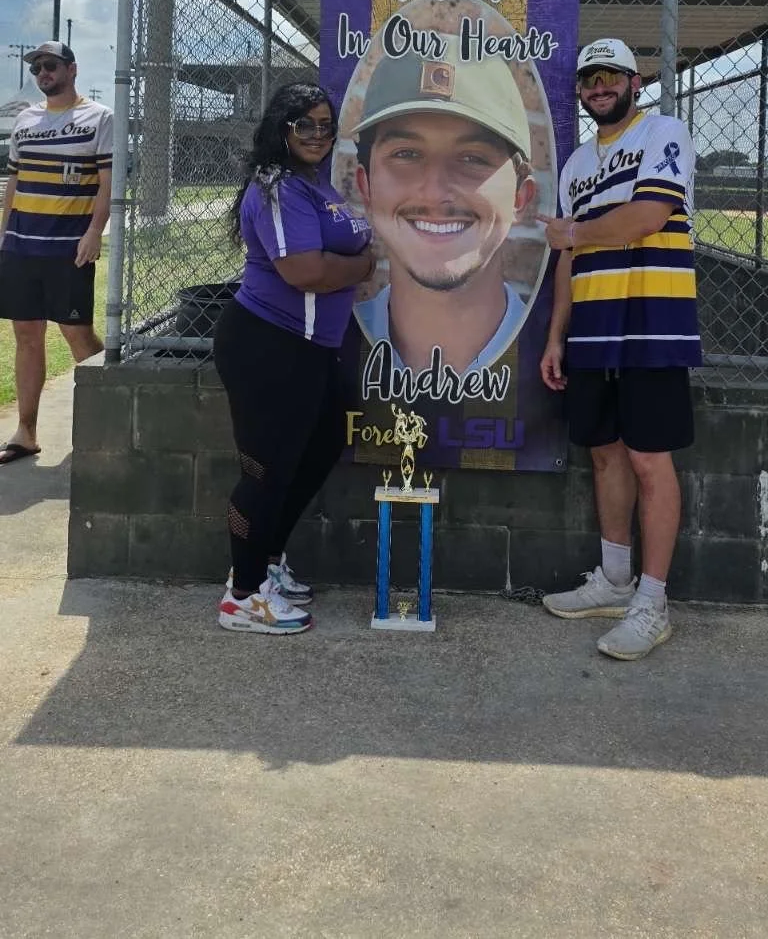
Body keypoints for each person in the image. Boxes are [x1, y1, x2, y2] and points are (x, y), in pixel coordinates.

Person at [538, 37, 702, 661]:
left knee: (648, 460)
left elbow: (647, 216)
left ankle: (653, 605)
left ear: (636, 82)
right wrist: (556, 336)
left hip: (652, 325)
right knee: (604, 454)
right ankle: (613, 581)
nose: (599, 86)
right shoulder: (578, 165)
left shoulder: (663, 131)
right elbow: (567, 257)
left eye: (611, 75)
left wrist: (575, 231)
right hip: (592, 329)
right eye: (589, 78)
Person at [214, 83, 375, 634]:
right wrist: (363, 266)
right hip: (269, 343)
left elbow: (327, 260)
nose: (316, 134)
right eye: (304, 123)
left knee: (321, 447)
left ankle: (266, 562)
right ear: (281, 128)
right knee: (264, 470)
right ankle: (242, 595)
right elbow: (305, 272)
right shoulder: (277, 185)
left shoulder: (313, 184)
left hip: (310, 348)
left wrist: (344, 264)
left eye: (325, 125)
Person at [352, 37, 537, 373]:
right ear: (366, 188)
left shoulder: (550, 348)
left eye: (473, 158)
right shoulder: (334, 342)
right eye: (407, 154)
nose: (435, 193)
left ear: (519, 197)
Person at [0, 43, 111, 466]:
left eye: (50, 65)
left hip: (68, 248)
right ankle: (25, 433)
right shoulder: (25, 120)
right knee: (27, 336)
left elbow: (106, 183)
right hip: (21, 246)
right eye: (37, 68)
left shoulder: (99, 117)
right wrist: (3, 235)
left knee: (77, 333)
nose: (42, 73)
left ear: (72, 69)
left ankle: (111, 418)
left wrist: (94, 232)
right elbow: (15, 183)